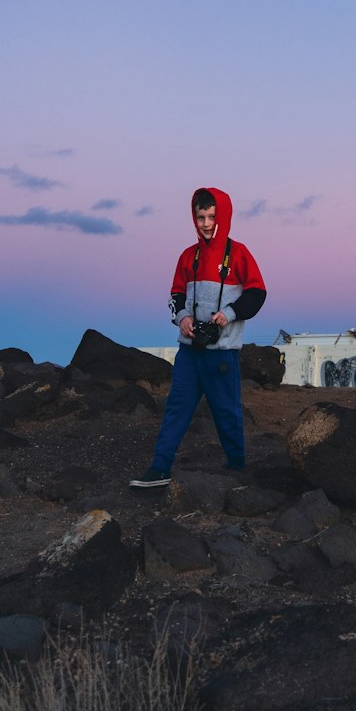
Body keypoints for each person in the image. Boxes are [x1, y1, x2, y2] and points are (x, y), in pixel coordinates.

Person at [130, 186, 266, 488]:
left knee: (227, 413)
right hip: (190, 351)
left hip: (222, 353)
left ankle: (236, 468)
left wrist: (228, 314)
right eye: (200, 216)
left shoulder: (239, 254)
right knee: (176, 408)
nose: (205, 223)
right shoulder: (187, 257)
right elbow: (176, 296)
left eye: (211, 216)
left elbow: (257, 294)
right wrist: (183, 318)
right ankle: (159, 468)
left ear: (224, 216)